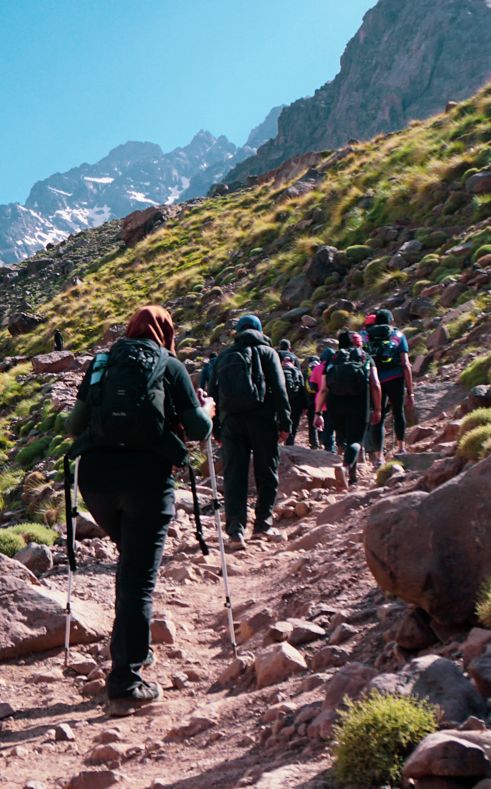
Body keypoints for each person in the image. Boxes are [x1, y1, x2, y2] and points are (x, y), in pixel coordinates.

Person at [66, 305, 215, 716]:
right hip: (146, 482)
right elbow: (199, 430)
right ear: (166, 331)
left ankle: (136, 651)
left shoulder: (101, 362)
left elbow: (74, 427)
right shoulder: (170, 365)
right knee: (137, 581)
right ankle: (126, 681)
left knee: (131, 569)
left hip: (95, 482)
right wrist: (209, 411)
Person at [209, 314, 289, 546]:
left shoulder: (224, 356)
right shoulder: (268, 352)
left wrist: (216, 431)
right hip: (262, 419)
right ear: (259, 330)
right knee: (267, 473)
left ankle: (235, 531)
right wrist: (285, 424)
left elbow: (212, 393)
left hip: (231, 423)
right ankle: (263, 526)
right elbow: (279, 388)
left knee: (234, 476)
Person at [316, 330, 382, 485]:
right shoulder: (365, 357)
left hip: (335, 405)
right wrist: (377, 408)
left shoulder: (332, 359)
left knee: (348, 439)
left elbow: (323, 389)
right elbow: (375, 384)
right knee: (355, 441)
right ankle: (345, 468)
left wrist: (318, 412)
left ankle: (352, 478)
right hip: (359, 403)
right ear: (354, 342)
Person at [364, 309, 414, 457]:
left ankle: (379, 457)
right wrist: (410, 392)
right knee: (398, 412)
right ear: (391, 321)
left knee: (378, 416)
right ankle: (401, 448)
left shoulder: (366, 336)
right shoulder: (398, 335)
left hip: (374, 380)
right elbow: (405, 363)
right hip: (395, 378)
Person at [276, 339, 309, 446]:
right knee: (294, 420)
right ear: (290, 348)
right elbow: (301, 382)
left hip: (279, 394)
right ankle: (290, 443)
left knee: (277, 419)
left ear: (280, 347)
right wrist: (304, 404)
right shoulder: (294, 358)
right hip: (295, 397)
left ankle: (276, 442)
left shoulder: (275, 355)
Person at [309, 349, 334, 452]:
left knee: (326, 429)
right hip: (336, 400)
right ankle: (342, 447)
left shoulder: (317, 368)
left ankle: (329, 450)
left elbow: (312, 386)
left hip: (321, 402)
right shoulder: (335, 367)